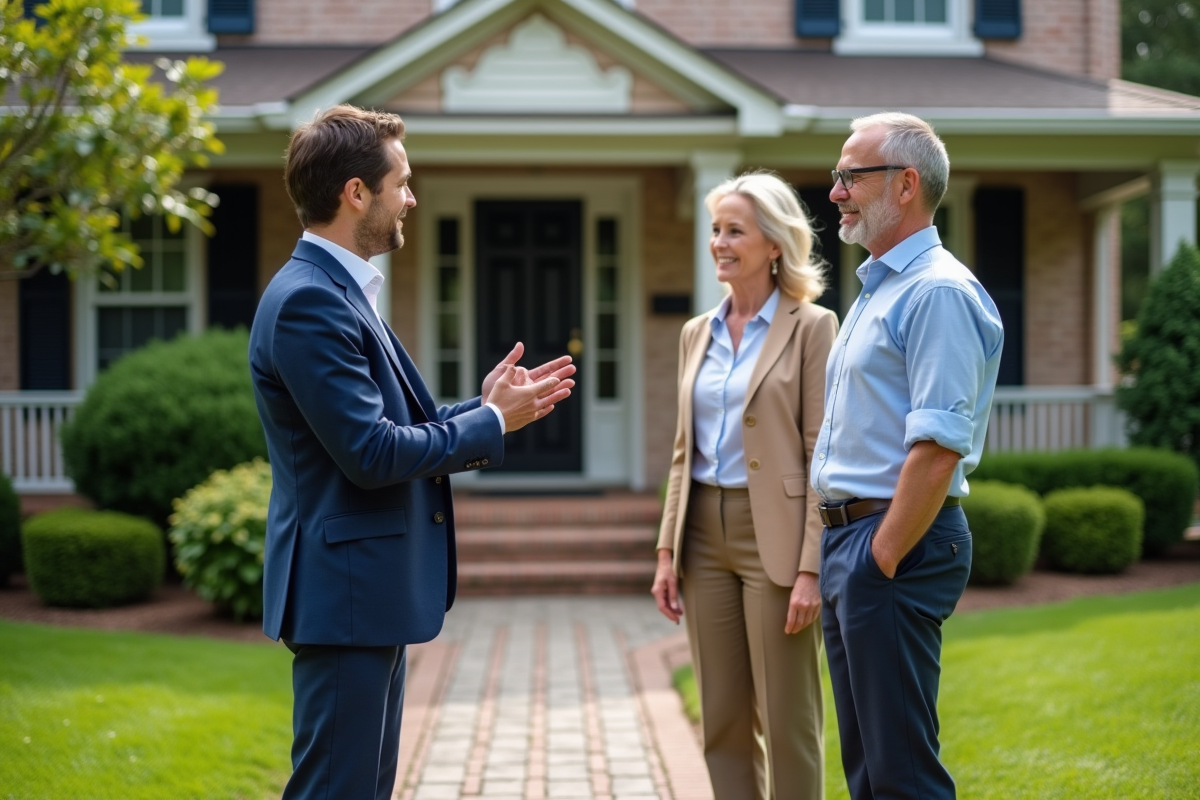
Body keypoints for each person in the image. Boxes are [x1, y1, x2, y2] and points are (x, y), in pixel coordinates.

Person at [248, 105, 575, 800]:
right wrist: (489, 421)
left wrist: (483, 407)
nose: (412, 198)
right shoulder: (311, 301)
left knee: (364, 787)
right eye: (402, 182)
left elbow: (393, 425)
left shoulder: (341, 290)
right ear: (356, 193)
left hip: (364, 591)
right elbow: (370, 452)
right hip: (345, 595)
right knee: (336, 789)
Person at [814, 112, 1004, 800]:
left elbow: (938, 446)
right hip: (852, 544)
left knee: (902, 777)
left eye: (848, 176)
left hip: (891, 544)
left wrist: (881, 555)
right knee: (869, 771)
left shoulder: (937, 292)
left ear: (904, 185)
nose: (834, 191)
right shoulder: (880, 288)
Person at [651, 171, 838, 799]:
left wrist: (811, 567)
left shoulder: (814, 327)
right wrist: (665, 552)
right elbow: (684, 453)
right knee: (723, 721)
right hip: (703, 534)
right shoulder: (694, 334)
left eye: (735, 230)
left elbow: (821, 453)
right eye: (715, 230)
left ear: (775, 242)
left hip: (777, 541)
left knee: (789, 722)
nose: (720, 243)